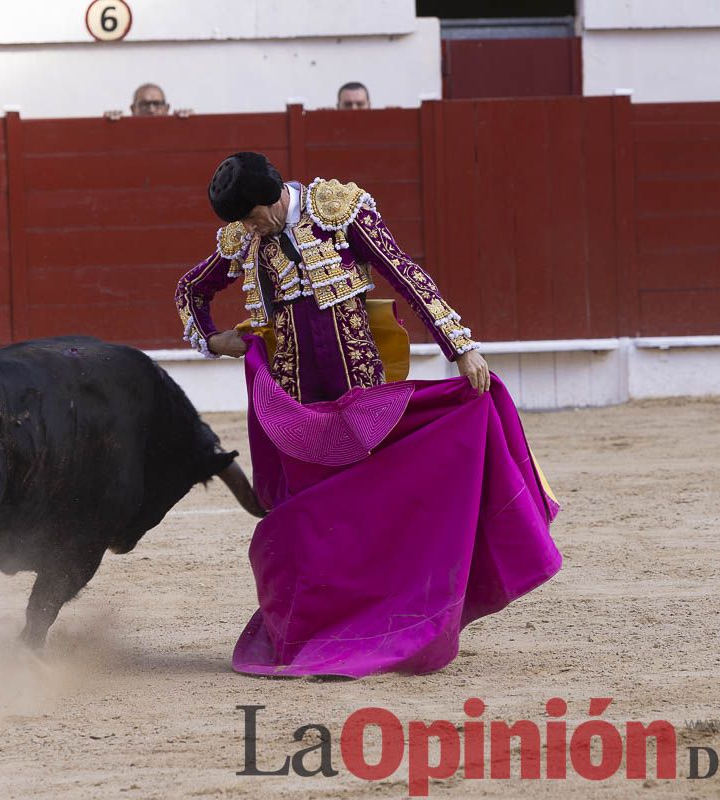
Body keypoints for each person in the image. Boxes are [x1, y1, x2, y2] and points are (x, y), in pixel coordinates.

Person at [175, 152, 562, 678]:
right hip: (297, 403)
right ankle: (318, 629)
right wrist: (211, 338)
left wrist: (460, 346)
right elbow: (190, 289)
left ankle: (391, 618)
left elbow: (404, 273)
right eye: (240, 223)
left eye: (251, 217)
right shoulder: (245, 240)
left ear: (270, 200)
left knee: (375, 503)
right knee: (309, 513)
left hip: (360, 390)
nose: (247, 229)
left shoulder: (339, 211)